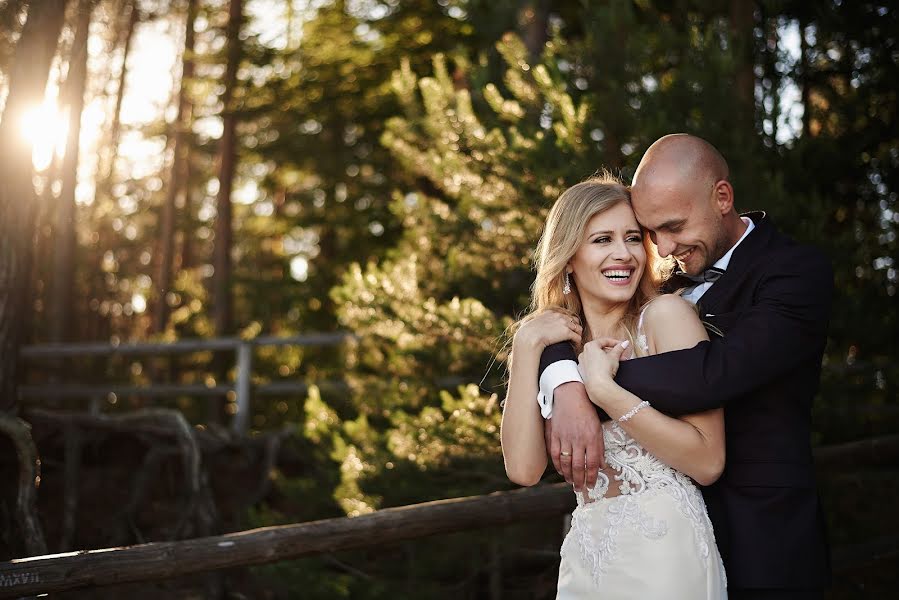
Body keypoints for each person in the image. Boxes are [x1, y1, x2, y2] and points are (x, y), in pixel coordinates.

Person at [539, 134, 832, 599]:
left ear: (722, 197)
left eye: (673, 227)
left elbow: (715, 373)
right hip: (662, 541)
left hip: (762, 532)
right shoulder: (664, 287)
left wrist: (590, 385)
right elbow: (574, 322)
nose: (665, 246)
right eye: (651, 232)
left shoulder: (794, 273)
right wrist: (562, 379)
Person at [501, 174, 727, 598]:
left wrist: (605, 391)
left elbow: (708, 460)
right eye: (602, 240)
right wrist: (526, 344)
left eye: (632, 238)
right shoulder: (556, 348)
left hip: (665, 553)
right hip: (587, 557)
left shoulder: (665, 317)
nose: (623, 255)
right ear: (569, 257)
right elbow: (523, 469)